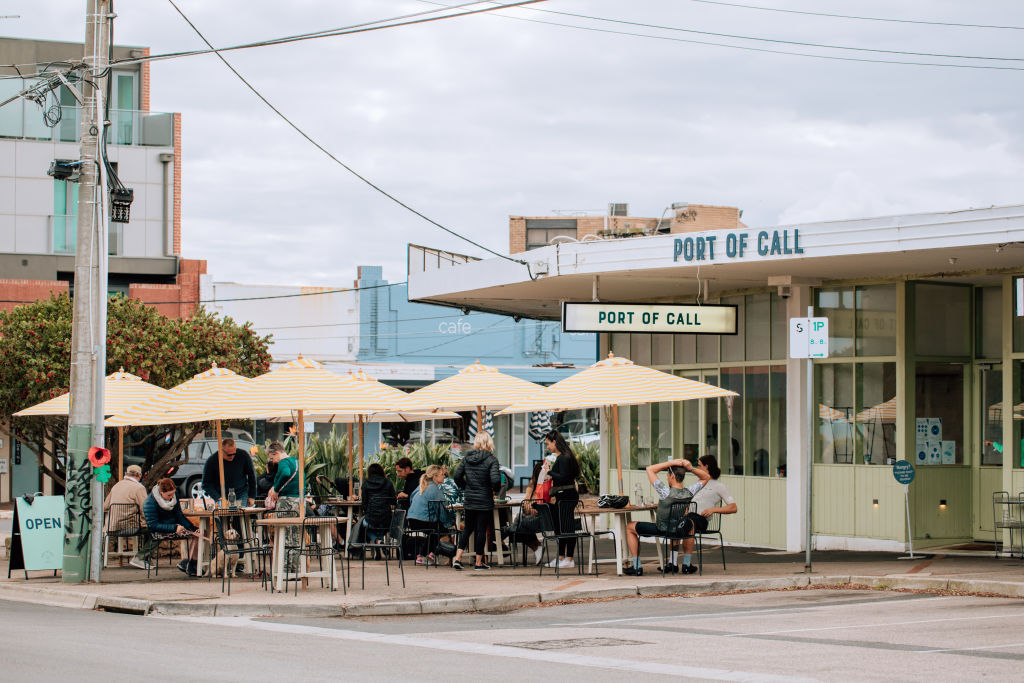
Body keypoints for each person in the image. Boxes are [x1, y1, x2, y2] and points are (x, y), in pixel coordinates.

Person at [623, 457, 709, 576]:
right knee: (688, 524)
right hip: (678, 530)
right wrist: (691, 468)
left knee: (629, 527)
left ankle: (637, 567)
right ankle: (686, 564)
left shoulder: (665, 491)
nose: (667, 478)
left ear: (672, 476)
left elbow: (650, 469)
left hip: (662, 529)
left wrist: (671, 462)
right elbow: (706, 477)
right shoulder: (689, 491)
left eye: (668, 475)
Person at [676, 454, 737, 574]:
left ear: (706, 467)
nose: (697, 468)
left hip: (702, 520)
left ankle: (686, 564)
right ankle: (672, 563)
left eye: (699, 466)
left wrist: (713, 510)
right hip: (690, 517)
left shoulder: (719, 486)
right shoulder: (698, 484)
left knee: (688, 523)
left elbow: (733, 507)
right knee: (677, 521)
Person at [452, 432, 500, 571]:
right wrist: (494, 490)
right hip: (484, 499)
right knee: (480, 530)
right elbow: (496, 480)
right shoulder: (492, 460)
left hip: (470, 498)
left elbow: (456, 476)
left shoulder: (467, 458)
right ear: (489, 443)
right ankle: (479, 563)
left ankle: (458, 558)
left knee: (467, 528)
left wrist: (466, 487)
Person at [541, 430, 582, 569]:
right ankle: (561, 557)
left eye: (548, 444)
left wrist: (549, 471)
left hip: (566, 496)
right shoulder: (564, 457)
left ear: (554, 442)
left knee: (567, 527)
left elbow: (563, 477)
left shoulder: (564, 458)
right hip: (565, 495)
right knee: (561, 527)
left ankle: (569, 559)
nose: (547, 447)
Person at [142, 477, 199, 575]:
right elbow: (153, 525)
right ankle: (189, 564)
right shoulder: (149, 503)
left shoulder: (174, 496)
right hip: (159, 531)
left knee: (198, 533)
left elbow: (179, 515)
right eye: (169, 495)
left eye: (173, 493)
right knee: (196, 536)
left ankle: (191, 563)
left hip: (174, 527)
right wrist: (174, 528)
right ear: (161, 492)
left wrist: (191, 527)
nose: (172, 496)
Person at [102, 464, 151, 570]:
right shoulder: (139, 488)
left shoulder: (116, 486)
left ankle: (105, 562)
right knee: (155, 531)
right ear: (139, 475)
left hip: (111, 527)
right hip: (130, 527)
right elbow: (145, 510)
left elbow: (105, 506)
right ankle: (141, 558)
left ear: (126, 474)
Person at [266, 441, 301, 571]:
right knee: (295, 535)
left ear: (276, 453)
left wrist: (276, 489)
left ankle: (284, 570)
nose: (273, 461)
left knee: (284, 534)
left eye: (272, 458)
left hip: (286, 501)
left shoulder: (283, 462)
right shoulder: (296, 461)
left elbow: (285, 473)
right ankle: (295, 568)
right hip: (297, 501)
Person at [407, 465, 452, 564]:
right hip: (423, 520)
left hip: (412, 519)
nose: (444, 476)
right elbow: (441, 510)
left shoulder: (422, 486)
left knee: (435, 531)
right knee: (442, 531)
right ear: (435, 477)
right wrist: (449, 524)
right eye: (441, 474)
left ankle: (430, 554)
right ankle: (424, 555)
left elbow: (411, 498)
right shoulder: (434, 489)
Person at [504, 460, 545, 565]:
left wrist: (536, 509)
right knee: (520, 524)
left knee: (518, 525)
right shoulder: (531, 488)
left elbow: (547, 505)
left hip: (541, 519)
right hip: (530, 517)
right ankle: (537, 547)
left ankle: (507, 530)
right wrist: (530, 509)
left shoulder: (548, 487)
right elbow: (525, 504)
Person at [201, 438, 257, 507]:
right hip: (221, 495)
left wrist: (252, 496)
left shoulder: (243, 455)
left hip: (241, 493)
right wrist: (218, 498)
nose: (232, 456)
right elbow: (206, 484)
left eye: (234, 454)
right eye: (229, 455)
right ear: (222, 451)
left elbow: (252, 476)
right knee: (224, 516)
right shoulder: (212, 461)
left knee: (240, 515)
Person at [360, 462, 396, 541]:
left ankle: (377, 540)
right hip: (386, 519)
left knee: (363, 525)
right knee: (383, 527)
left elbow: (364, 504)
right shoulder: (388, 483)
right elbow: (393, 501)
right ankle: (380, 542)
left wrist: (369, 513)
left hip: (371, 519)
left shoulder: (365, 484)